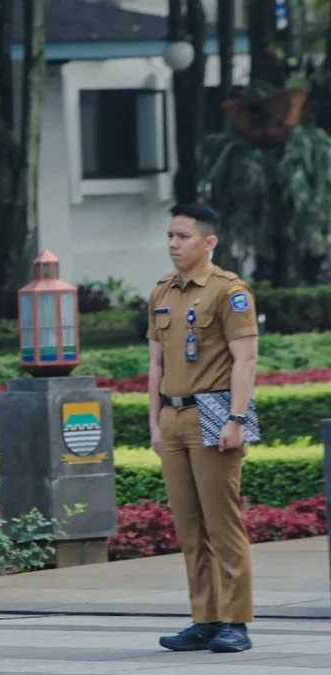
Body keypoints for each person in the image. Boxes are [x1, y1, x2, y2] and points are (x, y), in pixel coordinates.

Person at [146, 203, 259, 653]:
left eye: (183, 236)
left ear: (209, 242)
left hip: (213, 414)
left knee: (222, 523)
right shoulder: (161, 293)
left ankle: (236, 621)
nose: (173, 244)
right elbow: (154, 364)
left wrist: (236, 417)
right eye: (170, 236)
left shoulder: (229, 292)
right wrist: (154, 423)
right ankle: (204, 617)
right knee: (189, 528)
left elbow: (245, 359)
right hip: (172, 417)